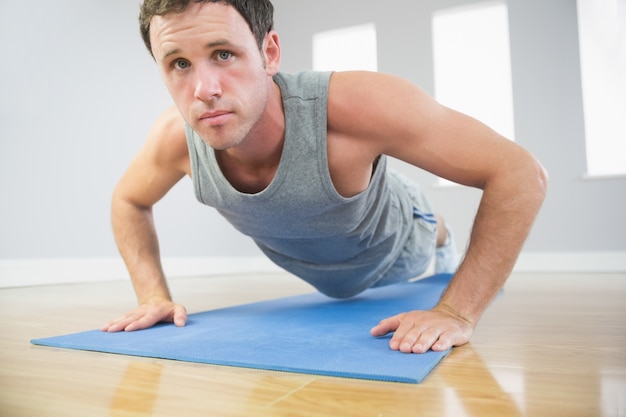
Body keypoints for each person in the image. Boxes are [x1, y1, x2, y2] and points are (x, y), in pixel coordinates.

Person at [102, 0, 547, 355]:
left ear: (269, 52)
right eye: (179, 63)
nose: (204, 89)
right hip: (328, 275)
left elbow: (520, 172)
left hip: (399, 246)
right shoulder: (174, 140)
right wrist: (152, 296)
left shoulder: (357, 106)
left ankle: (440, 237)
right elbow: (128, 200)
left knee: (424, 224)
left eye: (223, 54)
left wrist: (457, 311)